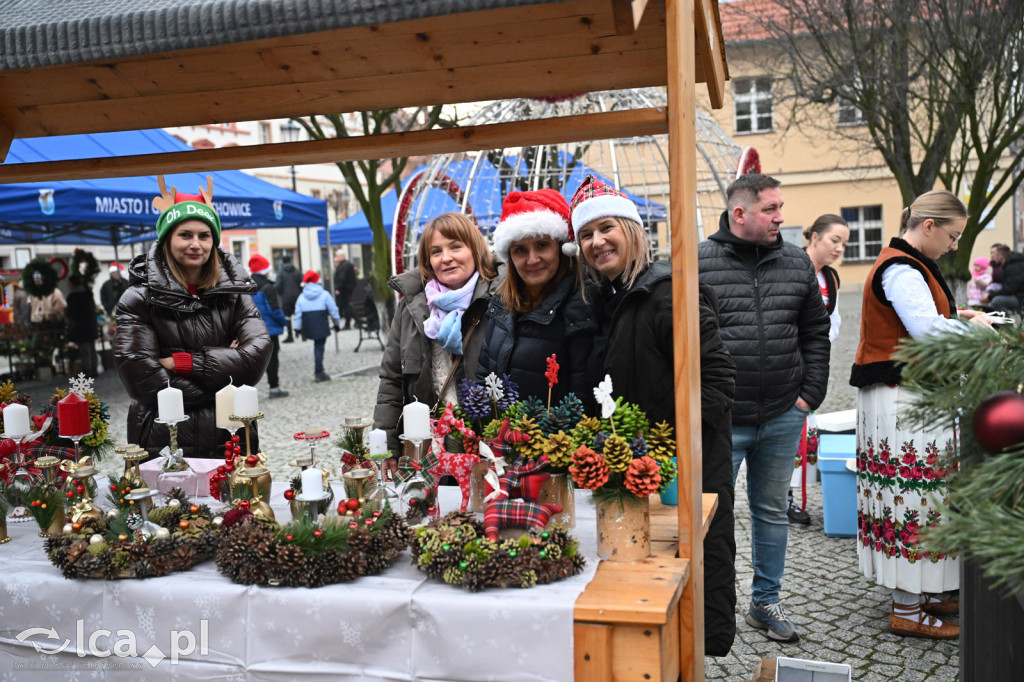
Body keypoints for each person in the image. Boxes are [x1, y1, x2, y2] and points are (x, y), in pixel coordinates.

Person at [571, 175, 738, 656]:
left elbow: (718, 383)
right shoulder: (613, 296)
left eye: (606, 228)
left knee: (692, 576)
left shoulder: (666, 292)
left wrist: (669, 450)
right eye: (586, 235)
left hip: (685, 469)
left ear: (632, 229)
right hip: (645, 468)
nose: (597, 242)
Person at [850, 190, 992, 639]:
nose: (953, 246)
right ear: (928, 226)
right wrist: (972, 326)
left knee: (927, 496)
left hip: (908, 397)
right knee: (913, 498)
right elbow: (929, 333)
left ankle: (926, 591)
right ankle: (908, 607)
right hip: (901, 399)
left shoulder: (910, 265)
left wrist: (960, 315)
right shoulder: (900, 268)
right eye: (952, 236)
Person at [697, 172, 831, 643]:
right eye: (771, 209)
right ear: (740, 213)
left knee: (771, 511)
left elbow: (816, 332)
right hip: (720, 422)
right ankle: (707, 607)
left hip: (781, 413)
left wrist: (808, 396)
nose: (781, 217)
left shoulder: (796, 262)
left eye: (780, 207)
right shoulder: (696, 262)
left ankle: (765, 602)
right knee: (708, 513)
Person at [113, 179, 271, 459]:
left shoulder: (234, 294)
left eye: (204, 235)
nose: (195, 244)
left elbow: (256, 358)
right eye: (185, 234)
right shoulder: (139, 298)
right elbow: (142, 377)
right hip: (164, 436)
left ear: (214, 240)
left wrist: (183, 363)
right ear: (167, 239)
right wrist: (222, 379)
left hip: (231, 432)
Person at [373, 212, 499, 477]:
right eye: (436, 251)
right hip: (427, 445)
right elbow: (392, 379)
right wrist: (388, 446)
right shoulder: (411, 306)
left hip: (486, 444)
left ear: (475, 249)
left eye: (456, 246)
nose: (446, 258)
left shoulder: (499, 298)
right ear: (427, 261)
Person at [476, 189, 599, 410]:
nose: (532, 259)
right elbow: (484, 375)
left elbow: (583, 399)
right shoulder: (501, 304)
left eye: (542, 245)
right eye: (520, 250)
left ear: (561, 248)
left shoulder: (582, 305)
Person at [788, 214, 851, 525]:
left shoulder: (832, 278)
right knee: (783, 430)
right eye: (834, 240)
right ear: (814, 237)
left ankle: (794, 494)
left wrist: (818, 343)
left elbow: (834, 320)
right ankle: (782, 496)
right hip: (784, 361)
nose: (839, 249)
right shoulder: (788, 267)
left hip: (812, 362)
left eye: (844, 244)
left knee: (804, 431)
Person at [248, 253, 289, 398]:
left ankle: (246, 391)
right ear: (265, 270)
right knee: (272, 360)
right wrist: (284, 322)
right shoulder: (267, 287)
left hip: (252, 330)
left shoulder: (246, 286)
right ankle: (274, 388)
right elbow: (274, 310)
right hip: (269, 330)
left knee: (253, 360)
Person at [293, 270, 340, 382]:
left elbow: (298, 314)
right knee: (319, 347)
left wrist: (297, 329)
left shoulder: (301, 297)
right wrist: (337, 324)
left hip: (308, 324)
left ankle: (319, 370)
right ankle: (319, 372)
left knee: (317, 346)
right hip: (321, 322)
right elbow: (333, 310)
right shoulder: (324, 294)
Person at [65, 275, 99, 377]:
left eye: (69, 283)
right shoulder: (88, 293)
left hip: (80, 326)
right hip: (91, 325)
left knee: (84, 350)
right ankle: (94, 369)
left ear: (72, 284)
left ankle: (87, 370)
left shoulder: (73, 297)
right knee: (91, 348)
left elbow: (71, 313)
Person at [986, 243, 1024, 312]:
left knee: (996, 301)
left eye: (995, 254)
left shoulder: (1012, 267)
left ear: (1000, 257)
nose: (993, 256)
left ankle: (1009, 320)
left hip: (1020, 298)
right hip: (1017, 296)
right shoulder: (1009, 265)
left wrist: (989, 297)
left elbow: (1009, 289)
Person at [275, 253, 302, 342]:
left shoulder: (281, 272)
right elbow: (302, 283)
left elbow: (278, 285)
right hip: (297, 296)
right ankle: (303, 334)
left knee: (287, 317)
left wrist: (281, 293)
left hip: (286, 297)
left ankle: (290, 336)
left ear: (282, 261)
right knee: (299, 314)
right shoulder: (297, 271)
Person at [333, 248, 357, 330]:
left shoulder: (344, 265)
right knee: (347, 306)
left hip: (344, 289)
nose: (336, 257)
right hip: (347, 288)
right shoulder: (346, 265)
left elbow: (341, 278)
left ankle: (349, 323)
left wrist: (338, 288)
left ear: (341, 256)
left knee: (345, 306)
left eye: (337, 256)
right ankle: (356, 321)